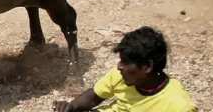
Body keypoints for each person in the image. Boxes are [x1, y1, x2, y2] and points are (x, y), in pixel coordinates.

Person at [53, 26, 197, 112]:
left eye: (126, 62)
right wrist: (69, 108)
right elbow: (93, 97)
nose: (119, 66)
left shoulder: (179, 106)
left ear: (147, 67)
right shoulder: (121, 76)